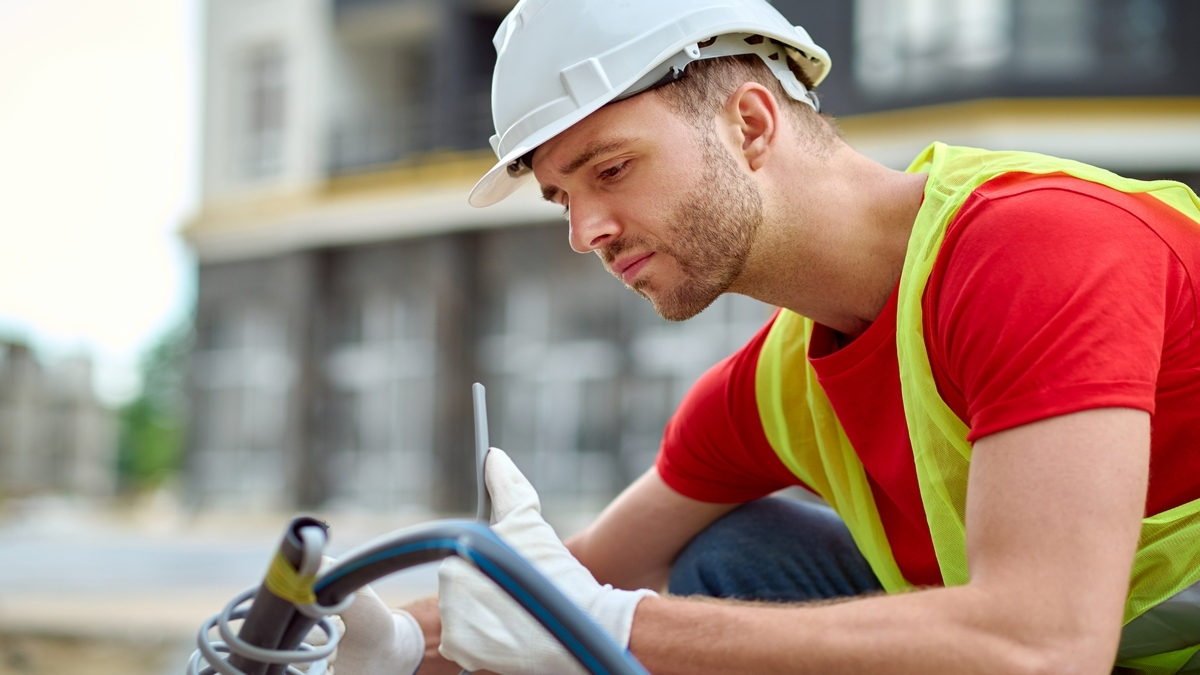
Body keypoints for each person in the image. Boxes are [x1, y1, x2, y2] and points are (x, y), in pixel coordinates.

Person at [328, 1, 1200, 673]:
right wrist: (382, 640)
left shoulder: (1037, 249)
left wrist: (612, 626)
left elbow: (1044, 646)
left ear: (749, 124)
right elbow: (569, 582)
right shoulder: (774, 387)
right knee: (734, 553)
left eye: (611, 169)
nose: (585, 229)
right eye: (562, 196)